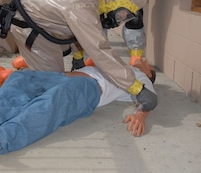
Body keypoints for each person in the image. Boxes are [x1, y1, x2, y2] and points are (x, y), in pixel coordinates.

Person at [1, 0, 149, 96]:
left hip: (45, 26)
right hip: (31, 30)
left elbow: (75, 32)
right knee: (51, 85)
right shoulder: (82, 5)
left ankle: (29, 60)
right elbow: (99, 49)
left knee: (57, 77)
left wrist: (78, 59)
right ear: (119, 0)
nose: (122, 19)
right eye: (125, 13)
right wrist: (136, 88)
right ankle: (7, 75)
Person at [0, 60, 157, 154]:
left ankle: (4, 139)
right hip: (62, 77)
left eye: (147, 63)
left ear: (149, 73)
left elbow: (150, 99)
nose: (143, 59)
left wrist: (141, 115)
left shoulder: (142, 78)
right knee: (20, 78)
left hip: (88, 88)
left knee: (48, 105)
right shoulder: (119, 62)